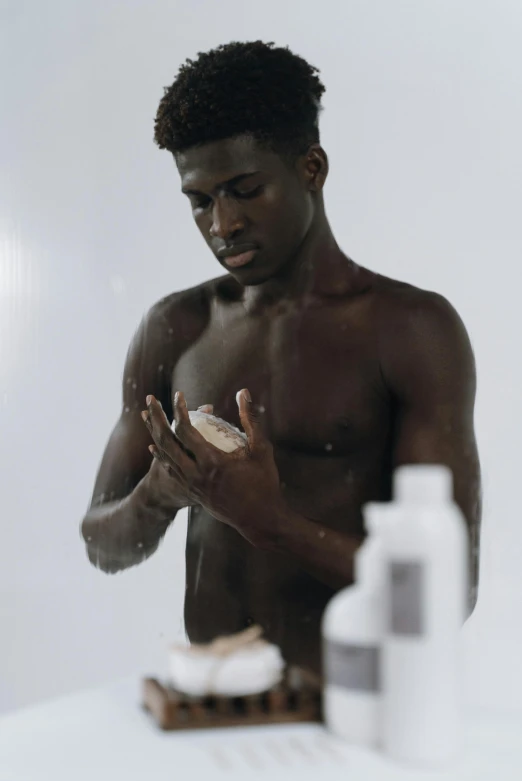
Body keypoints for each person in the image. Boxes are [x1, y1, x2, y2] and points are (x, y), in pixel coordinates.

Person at [81, 41, 481, 675]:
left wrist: (274, 525)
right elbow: (101, 542)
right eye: (201, 200)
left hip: (354, 711)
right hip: (213, 706)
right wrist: (157, 496)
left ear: (312, 168)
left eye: (245, 190)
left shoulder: (410, 330)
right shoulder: (175, 327)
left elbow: (448, 590)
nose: (223, 224)